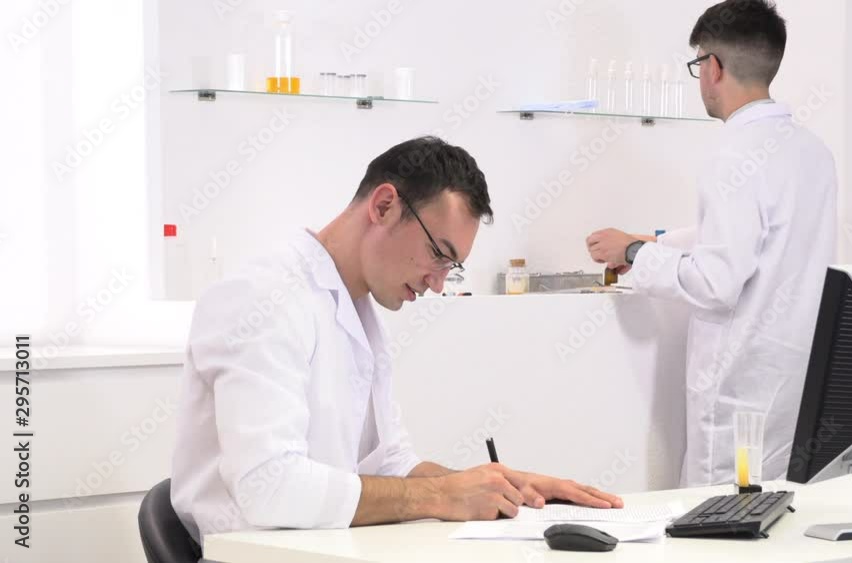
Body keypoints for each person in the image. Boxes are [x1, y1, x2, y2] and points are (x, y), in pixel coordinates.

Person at [172, 136, 622, 544]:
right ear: (384, 206)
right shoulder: (264, 298)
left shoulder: (359, 310)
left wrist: (498, 488)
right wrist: (441, 495)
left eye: (452, 267)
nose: (438, 283)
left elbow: (391, 464)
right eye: (439, 254)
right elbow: (269, 488)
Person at [586, 0, 838, 487]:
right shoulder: (812, 152)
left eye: (698, 62)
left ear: (713, 67)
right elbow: (759, 239)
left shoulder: (732, 155)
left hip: (738, 395)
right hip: (794, 387)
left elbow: (715, 284)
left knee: (718, 519)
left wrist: (635, 255)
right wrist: (654, 240)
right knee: (780, 513)